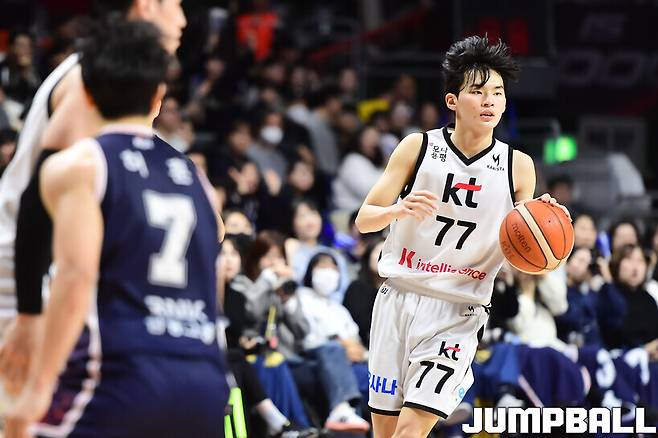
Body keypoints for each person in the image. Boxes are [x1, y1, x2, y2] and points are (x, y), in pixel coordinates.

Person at [5, 19, 229, 437]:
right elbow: (215, 256)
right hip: (205, 382)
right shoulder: (193, 176)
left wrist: (38, 387)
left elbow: (75, 277)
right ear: (158, 96)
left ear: (86, 94)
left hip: (122, 375)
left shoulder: (80, 163)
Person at [355, 35, 569, 437]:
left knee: (410, 432)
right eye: (477, 91)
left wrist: (548, 227)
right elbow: (364, 220)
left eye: (498, 93)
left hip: (459, 311)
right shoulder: (417, 148)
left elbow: (533, 251)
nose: (490, 101)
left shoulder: (518, 166)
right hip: (397, 299)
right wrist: (396, 210)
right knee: (385, 433)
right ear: (452, 100)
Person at [0, 0, 187, 399]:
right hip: (19, 272)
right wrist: (30, 314)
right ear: (146, 6)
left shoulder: (119, 84)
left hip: (48, 272)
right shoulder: (90, 76)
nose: (183, 20)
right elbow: (38, 198)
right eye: (176, 5)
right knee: (26, 412)